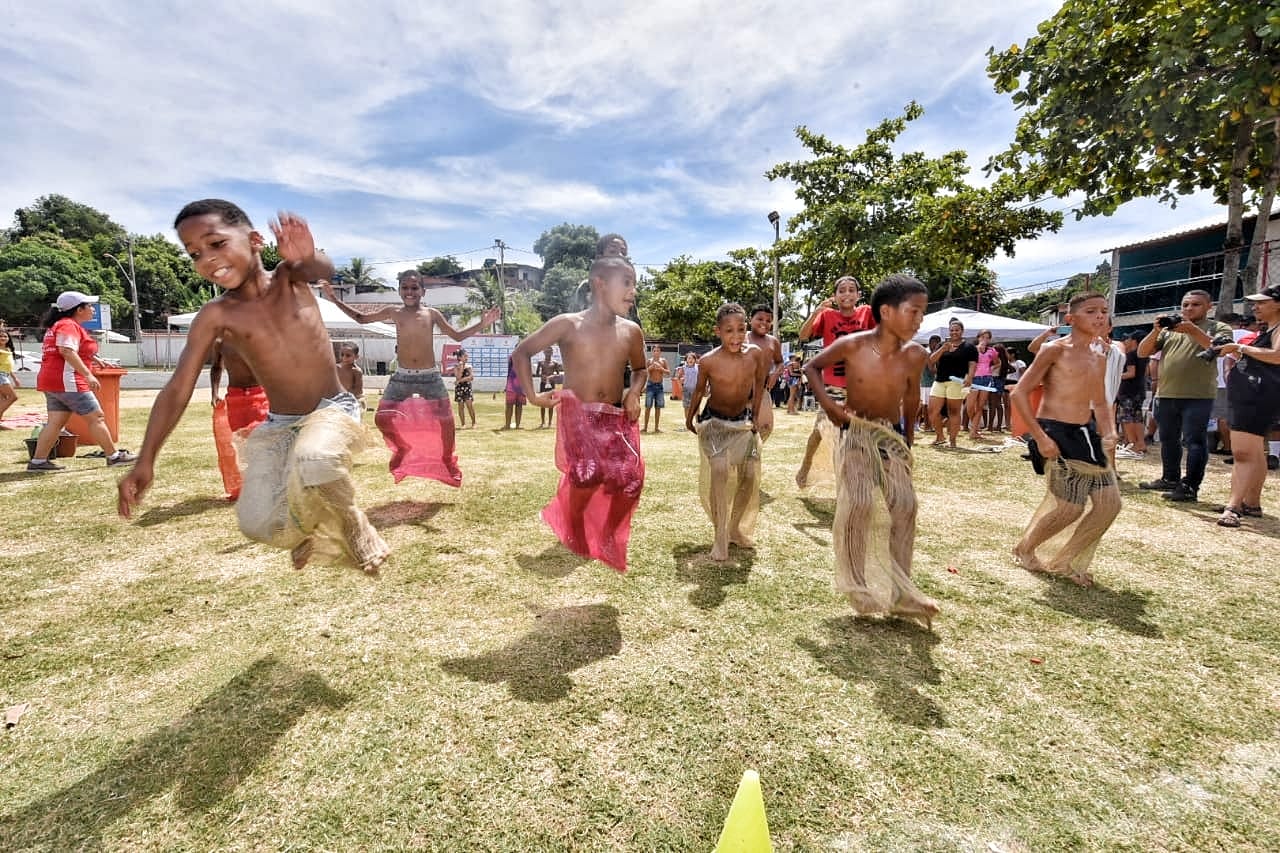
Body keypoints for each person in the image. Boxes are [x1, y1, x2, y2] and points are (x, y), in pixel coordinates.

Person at [118, 201, 388, 574]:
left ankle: (353, 522)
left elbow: (319, 267)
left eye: (216, 243)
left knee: (315, 459)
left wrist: (307, 254)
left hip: (331, 407)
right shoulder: (217, 315)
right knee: (257, 524)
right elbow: (178, 387)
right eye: (194, 253)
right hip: (280, 423)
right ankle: (305, 530)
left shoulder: (288, 278)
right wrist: (146, 458)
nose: (207, 259)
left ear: (256, 240)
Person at [803, 274, 939, 628]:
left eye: (922, 313)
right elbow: (811, 367)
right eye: (914, 312)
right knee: (859, 502)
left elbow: (910, 398)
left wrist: (907, 439)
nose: (919, 320)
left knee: (906, 505)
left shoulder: (915, 354)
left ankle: (901, 590)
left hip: (890, 434)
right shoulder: (854, 345)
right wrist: (831, 408)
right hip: (856, 432)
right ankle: (857, 585)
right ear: (886, 312)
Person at [513, 255, 647, 572]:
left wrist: (634, 392)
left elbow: (640, 369)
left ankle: (609, 533)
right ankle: (573, 524)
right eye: (627, 283)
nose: (633, 292)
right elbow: (522, 352)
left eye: (634, 285)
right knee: (586, 477)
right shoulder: (567, 324)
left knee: (630, 480)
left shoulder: (631, 332)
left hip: (615, 416)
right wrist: (532, 395)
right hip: (578, 416)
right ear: (600, 284)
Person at [322, 272, 499, 486]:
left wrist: (483, 323)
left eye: (414, 288)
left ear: (423, 292)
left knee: (446, 422)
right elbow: (361, 318)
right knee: (382, 419)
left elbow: (457, 336)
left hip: (429, 377)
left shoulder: (432, 314)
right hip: (402, 378)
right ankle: (402, 448)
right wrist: (334, 299)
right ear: (399, 291)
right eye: (405, 288)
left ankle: (446, 459)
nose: (409, 292)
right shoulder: (394, 312)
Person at [1010, 292, 1120, 587]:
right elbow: (1018, 393)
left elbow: (1100, 401)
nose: (1099, 317)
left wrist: (1108, 430)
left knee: (1110, 504)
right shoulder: (1053, 350)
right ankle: (1025, 549)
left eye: (1104, 311)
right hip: (1054, 431)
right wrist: (1039, 437)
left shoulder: (1100, 354)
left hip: (1085, 432)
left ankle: (1065, 560)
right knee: (1070, 507)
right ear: (1070, 319)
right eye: (1091, 311)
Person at [684, 303, 767, 561]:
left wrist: (755, 416)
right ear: (718, 331)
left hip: (742, 422)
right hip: (715, 424)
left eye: (741, 330)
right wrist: (690, 418)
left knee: (751, 475)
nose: (736, 336)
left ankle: (733, 529)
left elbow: (760, 384)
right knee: (719, 472)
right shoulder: (708, 361)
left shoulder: (755, 354)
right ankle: (720, 539)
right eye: (729, 331)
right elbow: (698, 391)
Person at [1136, 290, 1233, 502]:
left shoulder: (1218, 327)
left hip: (1198, 395)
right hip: (1166, 393)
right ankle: (1170, 478)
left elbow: (1221, 349)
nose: (1189, 308)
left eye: (1195, 304)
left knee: (1194, 441)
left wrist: (1192, 330)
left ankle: (1190, 486)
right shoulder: (1170, 330)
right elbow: (1143, 352)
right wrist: (1155, 330)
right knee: (1169, 440)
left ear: (1210, 306)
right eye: (1185, 304)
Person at [28, 292, 137, 471]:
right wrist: (88, 374)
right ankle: (114, 456)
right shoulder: (68, 325)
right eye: (89, 306)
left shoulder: (61, 325)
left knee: (55, 422)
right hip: (68, 381)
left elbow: (72, 350)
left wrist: (96, 360)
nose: (93, 309)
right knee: (96, 417)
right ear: (79, 309)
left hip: (52, 380)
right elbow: (66, 351)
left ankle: (38, 462)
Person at [794, 276, 875, 487]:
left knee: (852, 437)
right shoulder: (827, 316)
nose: (846, 294)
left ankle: (848, 486)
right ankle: (806, 463)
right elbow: (803, 335)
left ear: (858, 295)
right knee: (819, 432)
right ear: (835, 296)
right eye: (841, 290)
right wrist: (816, 312)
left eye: (851, 290)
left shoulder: (867, 313)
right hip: (832, 387)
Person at [1215, 285, 1280, 527]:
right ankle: (1251, 502)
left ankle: (1233, 507)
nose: (1255, 307)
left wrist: (1240, 348)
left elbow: (1277, 355)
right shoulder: (1270, 329)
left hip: (1258, 396)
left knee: (1242, 453)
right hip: (1253, 395)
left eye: (1262, 302)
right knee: (1254, 452)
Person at [209, 339, 269, 500]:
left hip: (260, 395)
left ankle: (266, 483)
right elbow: (216, 367)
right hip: (235, 397)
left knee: (261, 440)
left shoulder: (258, 336)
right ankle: (248, 485)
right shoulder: (221, 342)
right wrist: (214, 393)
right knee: (241, 443)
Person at [926, 319, 978, 448]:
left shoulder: (969, 347)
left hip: (957, 381)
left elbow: (972, 364)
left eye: (957, 330)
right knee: (932, 411)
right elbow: (931, 361)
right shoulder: (942, 345)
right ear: (949, 332)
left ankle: (953, 441)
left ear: (962, 331)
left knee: (953, 412)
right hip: (940, 380)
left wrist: (970, 377)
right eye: (952, 330)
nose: (954, 332)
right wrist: (943, 349)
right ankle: (940, 436)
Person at [747, 304, 783, 434]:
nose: (764, 323)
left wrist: (775, 374)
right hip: (739, 389)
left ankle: (753, 452)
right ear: (750, 320)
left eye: (768, 321)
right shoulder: (741, 338)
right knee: (737, 427)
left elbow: (780, 362)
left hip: (762, 390)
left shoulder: (773, 341)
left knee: (765, 427)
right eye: (760, 319)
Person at [1114, 334, 1149, 459]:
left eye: (1128, 339)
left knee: (1127, 417)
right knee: (1137, 417)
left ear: (1134, 340)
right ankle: (1141, 443)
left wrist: (1115, 375)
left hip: (1128, 391)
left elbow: (1130, 373)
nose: (1125, 341)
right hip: (1139, 390)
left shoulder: (1130, 355)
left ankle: (1133, 444)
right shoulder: (1143, 355)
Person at [966, 330, 998, 439]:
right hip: (974, 379)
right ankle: (975, 427)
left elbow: (998, 362)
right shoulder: (972, 349)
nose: (984, 339)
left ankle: (974, 431)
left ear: (989, 339)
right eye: (982, 337)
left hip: (986, 379)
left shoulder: (992, 350)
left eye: (987, 337)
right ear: (978, 338)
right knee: (969, 407)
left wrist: (991, 368)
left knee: (980, 406)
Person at [641, 345, 669, 433]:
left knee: (658, 407)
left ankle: (656, 428)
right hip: (650, 386)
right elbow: (644, 372)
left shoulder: (663, 361)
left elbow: (668, 372)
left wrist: (661, 368)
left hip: (659, 386)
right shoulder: (649, 361)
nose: (656, 352)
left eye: (658, 350)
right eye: (654, 351)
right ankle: (645, 427)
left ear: (660, 352)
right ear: (652, 352)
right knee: (648, 407)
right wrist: (651, 367)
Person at [535, 346, 562, 429]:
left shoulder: (554, 363)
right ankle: (543, 422)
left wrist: (552, 376)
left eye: (549, 352)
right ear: (544, 352)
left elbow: (558, 374)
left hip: (551, 384)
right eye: (546, 352)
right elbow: (537, 373)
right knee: (542, 402)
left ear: (552, 353)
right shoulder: (541, 362)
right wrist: (542, 376)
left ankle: (550, 422)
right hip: (543, 384)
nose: (548, 353)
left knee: (550, 402)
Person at [918, 335, 941, 429]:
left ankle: (927, 424)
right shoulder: (927, 353)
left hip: (928, 382)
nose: (938, 346)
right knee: (926, 405)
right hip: (926, 382)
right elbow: (931, 369)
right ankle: (927, 425)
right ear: (932, 343)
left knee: (926, 404)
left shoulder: (929, 352)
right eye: (937, 344)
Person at [335, 342, 365, 410]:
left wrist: (345, 396)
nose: (344, 358)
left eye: (348, 355)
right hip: (338, 397)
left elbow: (358, 391)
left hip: (353, 398)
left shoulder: (356, 371)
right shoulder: (336, 368)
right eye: (342, 355)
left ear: (356, 357)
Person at [0, 326, 20, 425]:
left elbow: (9, 366)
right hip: (1, 375)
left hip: (5, 374)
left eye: (5, 336)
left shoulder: (8, 349)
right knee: (13, 397)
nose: (3, 338)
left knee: (2, 400)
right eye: (0, 336)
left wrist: (15, 378)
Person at [454, 348, 476, 429]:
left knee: (469, 405)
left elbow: (471, 377)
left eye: (467, 356)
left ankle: (474, 422)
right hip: (459, 389)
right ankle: (463, 424)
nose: (466, 357)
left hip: (467, 387)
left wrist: (459, 380)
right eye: (465, 356)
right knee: (460, 406)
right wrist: (461, 368)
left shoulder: (469, 366)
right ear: (459, 357)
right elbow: (458, 376)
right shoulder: (456, 366)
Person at [504, 353, 527, 429]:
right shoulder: (511, 357)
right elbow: (509, 370)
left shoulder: (526, 357)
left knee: (519, 405)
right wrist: (507, 384)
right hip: (511, 384)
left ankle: (517, 425)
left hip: (521, 384)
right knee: (509, 405)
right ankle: (507, 425)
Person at [675, 352, 700, 417]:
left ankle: (697, 423)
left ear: (695, 360)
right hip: (686, 390)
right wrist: (680, 386)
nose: (690, 360)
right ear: (686, 360)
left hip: (695, 390)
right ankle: (688, 424)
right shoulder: (683, 368)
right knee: (687, 407)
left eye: (692, 358)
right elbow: (677, 377)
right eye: (689, 358)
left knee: (696, 408)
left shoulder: (698, 367)